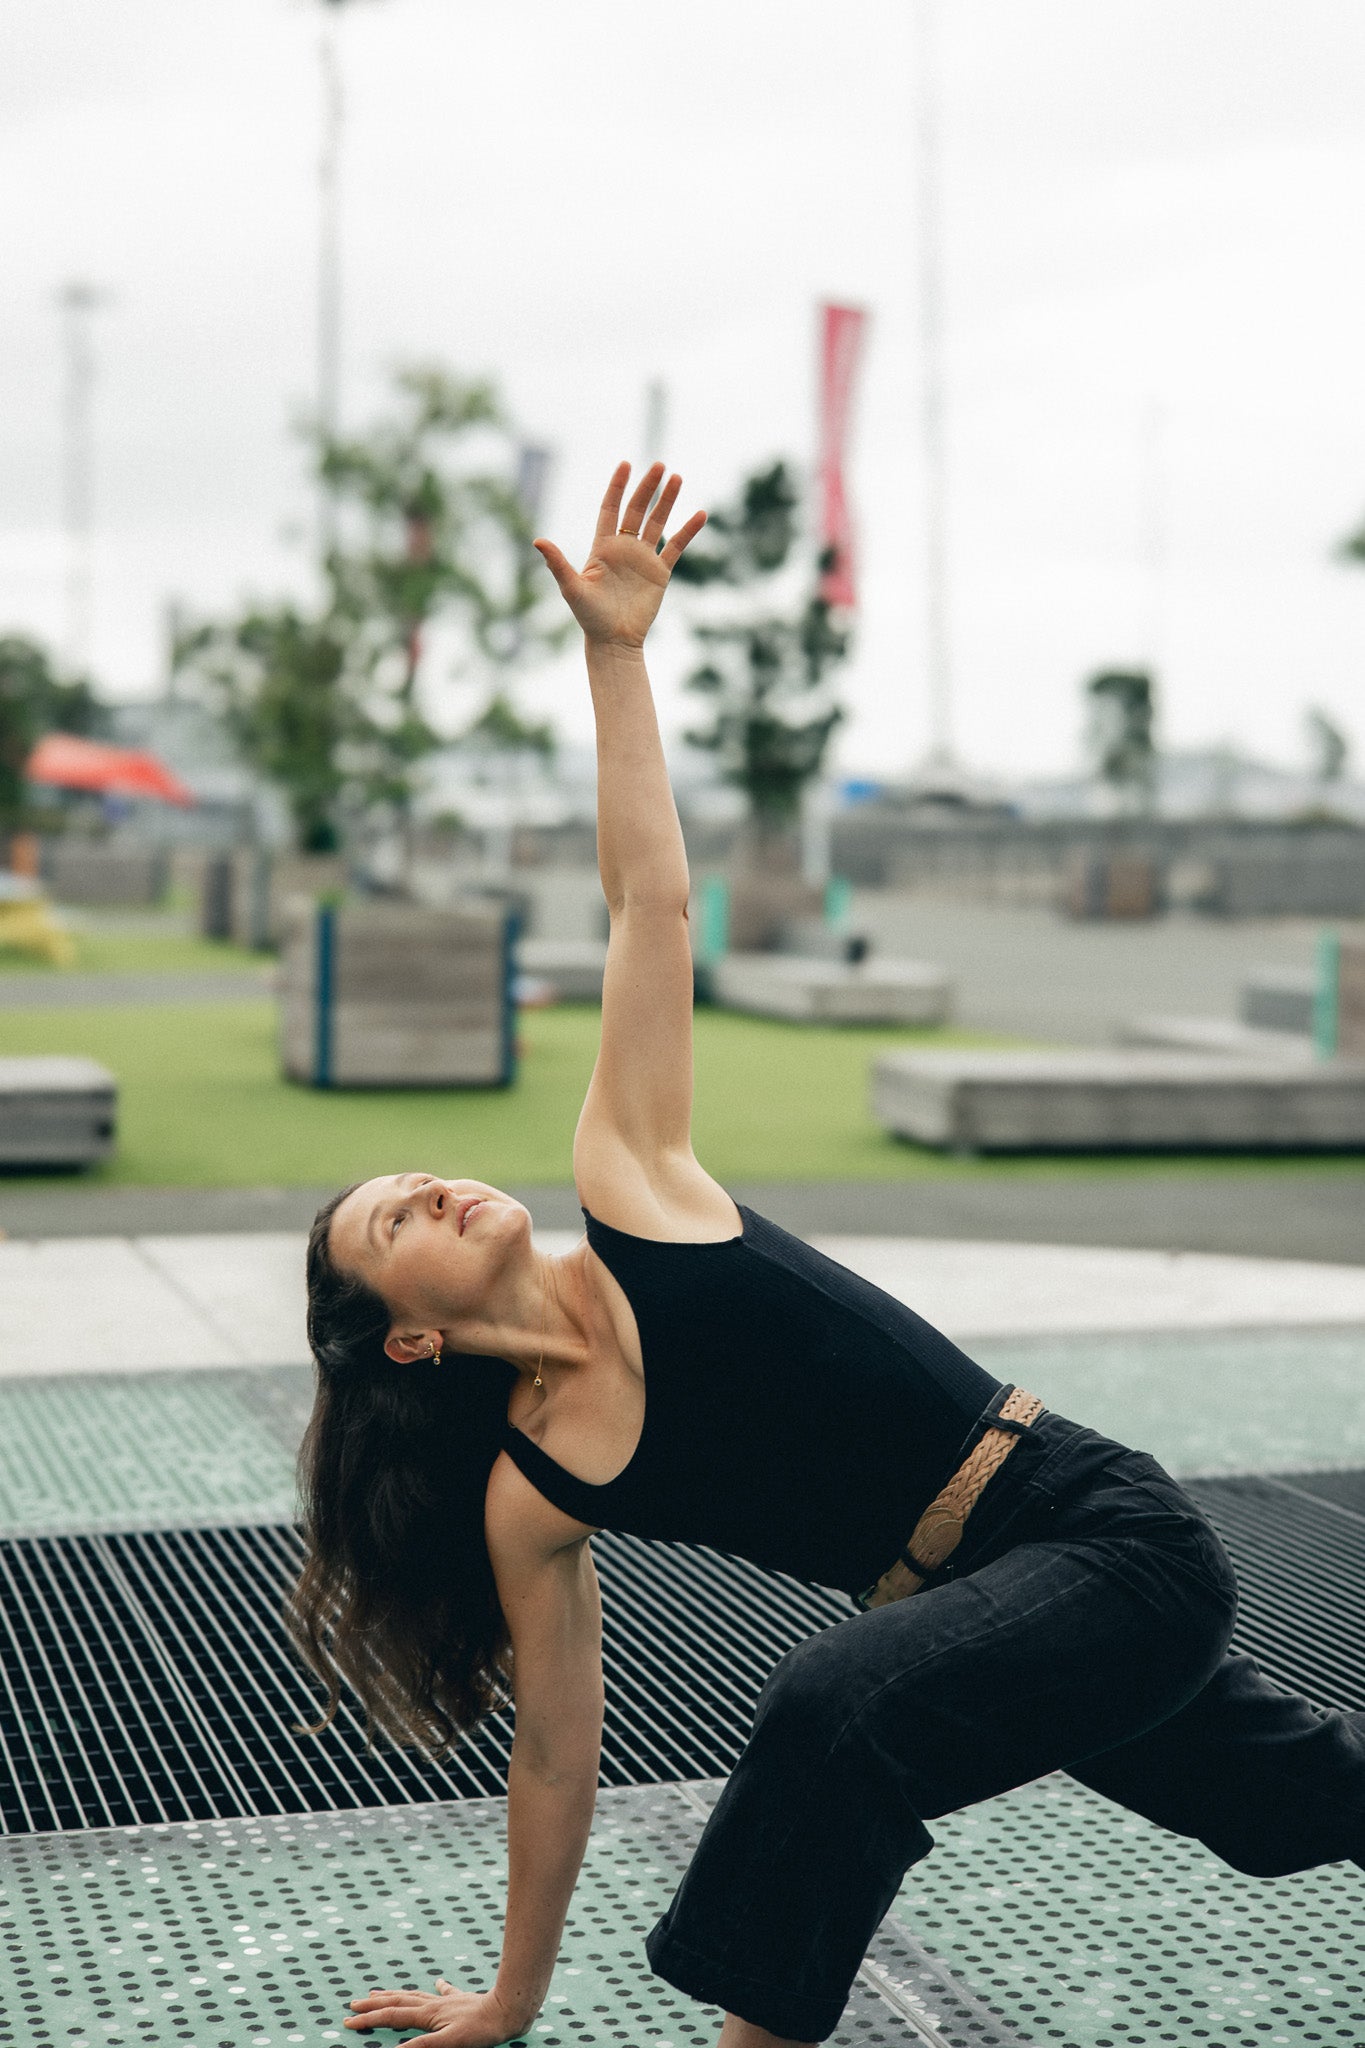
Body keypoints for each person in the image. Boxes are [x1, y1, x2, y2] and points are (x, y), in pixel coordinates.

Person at [295, 463, 1365, 2048]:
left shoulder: (630, 1184)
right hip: (990, 1615)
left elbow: (645, 901)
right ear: (406, 1340)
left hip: (1100, 1535)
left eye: (422, 1176)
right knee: (1294, 1805)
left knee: (825, 1708)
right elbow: (556, 1757)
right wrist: (510, 2006)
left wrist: (616, 656)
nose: (439, 1189)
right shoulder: (534, 1494)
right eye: (399, 1222)